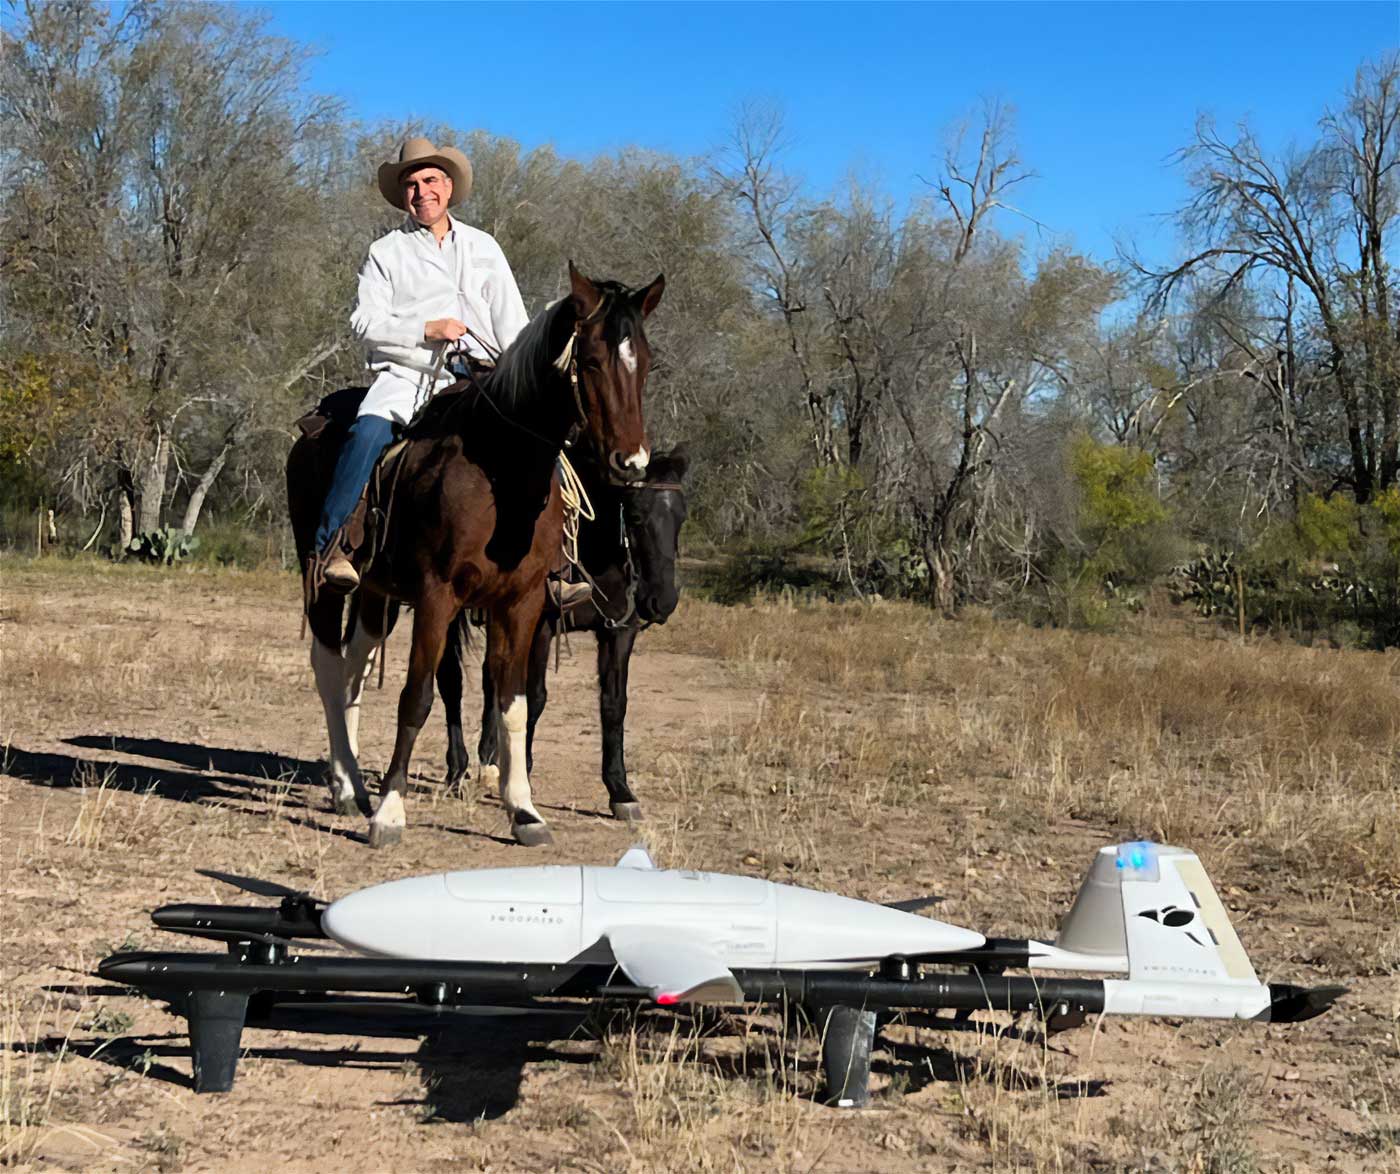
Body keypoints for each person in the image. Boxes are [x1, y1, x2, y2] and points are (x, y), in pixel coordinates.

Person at [314, 136, 529, 591]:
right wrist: (426, 328)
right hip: (409, 374)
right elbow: (363, 322)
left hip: (481, 377)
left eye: (430, 180)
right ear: (402, 196)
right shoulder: (385, 253)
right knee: (367, 432)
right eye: (411, 184)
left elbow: (513, 322)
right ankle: (335, 544)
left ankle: (559, 563)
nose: (421, 191)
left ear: (448, 187)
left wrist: (521, 376)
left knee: (544, 439)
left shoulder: (484, 247)